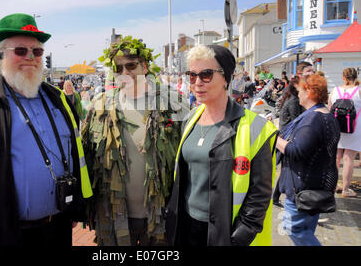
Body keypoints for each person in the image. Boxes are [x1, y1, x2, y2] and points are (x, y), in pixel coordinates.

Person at [0, 13, 93, 246]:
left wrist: (76, 204)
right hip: (5, 232)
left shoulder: (58, 97)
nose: (31, 57)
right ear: (0, 56)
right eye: (20, 51)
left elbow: (75, 155)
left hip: (58, 228)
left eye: (37, 51)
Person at [165, 44, 278, 246]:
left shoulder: (256, 128)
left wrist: (238, 239)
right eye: (192, 75)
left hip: (225, 234)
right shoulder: (191, 118)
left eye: (206, 75)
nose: (197, 82)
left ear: (226, 77)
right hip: (185, 227)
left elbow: (259, 196)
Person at [82, 36, 189, 246]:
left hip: (160, 218)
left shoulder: (173, 104)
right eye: (118, 68)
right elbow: (85, 158)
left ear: (145, 66)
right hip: (113, 218)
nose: (125, 73)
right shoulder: (100, 107)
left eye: (131, 66)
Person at [277, 75, 340, 246]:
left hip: (304, 186)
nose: (298, 94)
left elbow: (296, 150)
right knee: (305, 229)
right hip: (314, 185)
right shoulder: (323, 114)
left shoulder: (313, 119)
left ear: (310, 91)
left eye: (300, 90)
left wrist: (274, 138)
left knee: (293, 229)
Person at [328, 68, 360, 198]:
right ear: (355, 76)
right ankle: (346, 190)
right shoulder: (359, 91)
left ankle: (334, 185)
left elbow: (330, 108)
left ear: (343, 77)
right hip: (354, 127)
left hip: (337, 127)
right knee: (349, 159)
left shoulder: (335, 90)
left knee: (336, 157)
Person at [272, 77, 304, 207]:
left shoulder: (290, 97)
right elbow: (296, 119)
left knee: (286, 168)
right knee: (287, 168)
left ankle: (276, 197)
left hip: (284, 135)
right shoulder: (294, 100)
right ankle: (279, 197)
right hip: (287, 137)